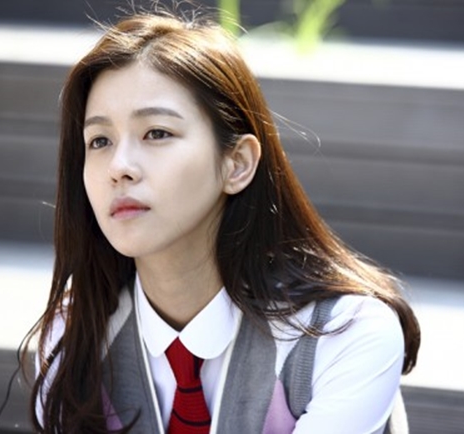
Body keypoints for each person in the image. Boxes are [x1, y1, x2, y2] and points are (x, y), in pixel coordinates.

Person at [24, 5, 420, 434]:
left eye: (157, 133)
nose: (119, 167)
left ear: (237, 163)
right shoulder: (73, 338)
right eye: (99, 141)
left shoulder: (344, 334)